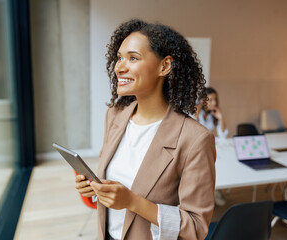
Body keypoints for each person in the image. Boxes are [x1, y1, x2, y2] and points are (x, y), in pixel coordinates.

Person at [75, 19, 216, 240]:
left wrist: (132, 201)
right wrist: (96, 190)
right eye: (120, 58)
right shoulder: (114, 116)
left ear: (165, 66)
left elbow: (196, 227)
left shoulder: (195, 139)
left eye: (133, 58)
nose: (120, 67)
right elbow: (113, 191)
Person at [195, 87, 228, 206]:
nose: (214, 103)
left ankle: (215, 190)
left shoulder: (212, 115)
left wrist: (221, 118)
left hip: (207, 148)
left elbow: (222, 136)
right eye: (211, 100)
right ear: (203, 100)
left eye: (216, 100)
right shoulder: (194, 113)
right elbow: (192, 133)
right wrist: (197, 113)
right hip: (195, 150)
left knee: (219, 161)